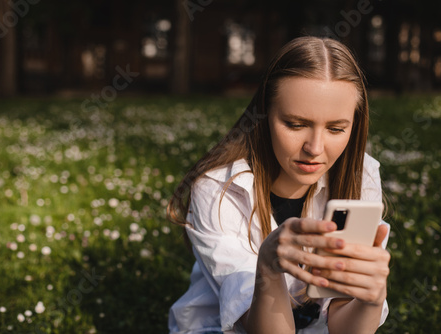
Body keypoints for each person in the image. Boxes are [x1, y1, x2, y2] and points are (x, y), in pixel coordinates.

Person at [167, 36, 391, 334]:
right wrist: (269, 269)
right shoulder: (217, 191)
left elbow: (344, 327)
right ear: (264, 114)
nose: (315, 147)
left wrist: (371, 299)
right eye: (296, 125)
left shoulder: (360, 175)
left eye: (337, 128)